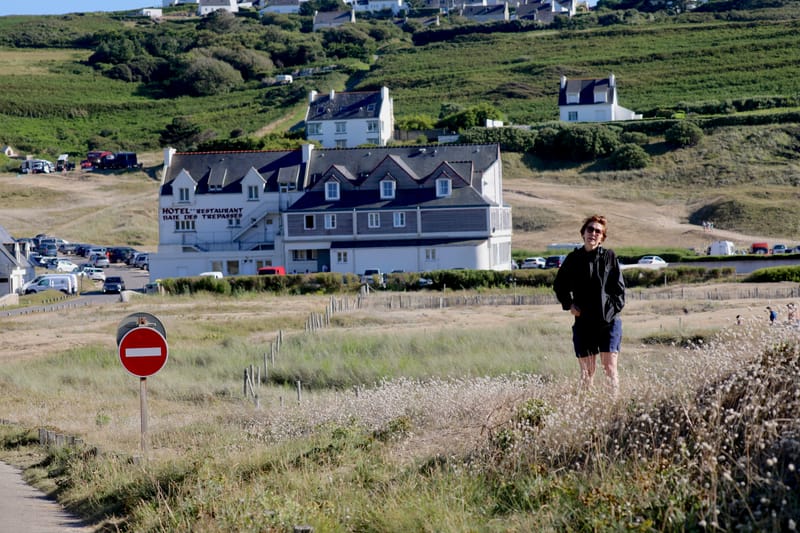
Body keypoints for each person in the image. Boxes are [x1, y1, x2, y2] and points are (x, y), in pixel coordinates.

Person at [554, 215, 626, 395]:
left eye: (598, 231)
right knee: (587, 373)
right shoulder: (573, 259)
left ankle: (614, 407)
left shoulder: (609, 256)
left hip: (608, 322)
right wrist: (569, 305)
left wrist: (609, 312)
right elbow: (559, 285)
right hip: (584, 323)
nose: (593, 233)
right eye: (590, 229)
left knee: (610, 368)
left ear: (602, 237)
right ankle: (588, 409)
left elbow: (619, 291)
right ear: (583, 233)